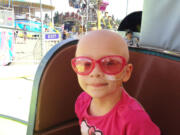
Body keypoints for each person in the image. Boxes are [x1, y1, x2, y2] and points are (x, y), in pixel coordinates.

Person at [71, 30, 161, 135]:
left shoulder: (134, 120)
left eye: (109, 63)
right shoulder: (81, 101)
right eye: (86, 64)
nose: (95, 73)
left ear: (126, 72)